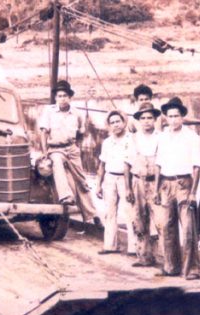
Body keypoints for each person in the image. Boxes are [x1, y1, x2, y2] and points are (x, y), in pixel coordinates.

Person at [154, 96, 200, 280]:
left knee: (189, 229)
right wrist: (157, 188)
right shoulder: (163, 136)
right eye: (170, 116)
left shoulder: (192, 137)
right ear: (165, 117)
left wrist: (193, 192)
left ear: (182, 117)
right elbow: (158, 164)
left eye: (176, 116)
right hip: (166, 184)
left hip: (184, 184)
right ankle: (171, 266)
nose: (173, 120)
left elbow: (197, 166)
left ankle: (192, 269)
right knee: (167, 227)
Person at [37, 80, 98, 225]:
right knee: (57, 163)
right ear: (56, 98)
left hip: (72, 148)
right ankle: (66, 196)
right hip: (55, 149)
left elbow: (82, 132)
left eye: (65, 95)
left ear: (70, 97)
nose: (62, 98)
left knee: (81, 181)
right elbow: (43, 133)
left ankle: (91, 215)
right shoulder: (49, 111)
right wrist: (45, 152)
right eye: (59, 96)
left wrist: (76, 146)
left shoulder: (77, 113)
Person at [127, 101, 162, 267]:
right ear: (139, 120)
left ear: (155, 119)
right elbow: (126, 163)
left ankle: (163, 257)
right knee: (139, 219)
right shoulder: (133, 138)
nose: (147, 121)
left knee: (161, 220)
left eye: (150, 117)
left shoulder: (161, 138)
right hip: (138, 182)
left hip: (156, 183)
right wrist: (128, 188)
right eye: (143, 118)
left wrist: (159, 186)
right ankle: (143, 256)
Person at [96, 111, 134, 255]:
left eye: (118, 121)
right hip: (110, 178)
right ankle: (110, 245)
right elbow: (102, 165)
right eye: (112, 122)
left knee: (129, 212)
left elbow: (129, 164)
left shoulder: (131, 139)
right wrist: (98, 184)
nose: (115, 125)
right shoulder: (107, 142)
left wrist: (129, 186)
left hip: (126, 179)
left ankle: (133, 247)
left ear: (124, 122)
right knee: (110, 212)